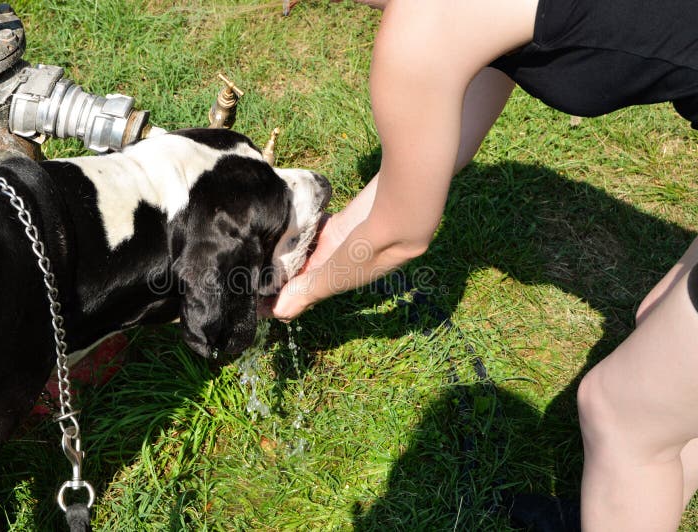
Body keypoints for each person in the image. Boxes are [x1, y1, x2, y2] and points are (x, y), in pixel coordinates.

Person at [265, 0, 698, 530]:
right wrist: (333, 239)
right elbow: (444, 150)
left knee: (619, 415)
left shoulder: (425, 23)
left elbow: (400, 237)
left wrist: (302, 292)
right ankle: (622, 507)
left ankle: (624, 498)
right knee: (663, 337)